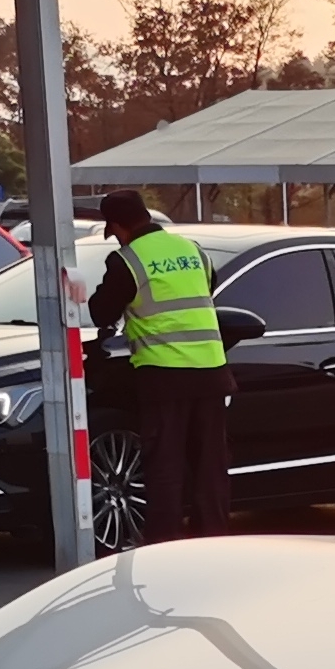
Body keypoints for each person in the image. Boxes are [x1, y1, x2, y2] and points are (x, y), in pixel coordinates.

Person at [89, 189, 233, 543]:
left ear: (116, 226)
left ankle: (163, 545)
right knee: (210, 468)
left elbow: (102, 312)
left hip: (164, 377)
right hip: (212, 374)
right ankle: (214, 540)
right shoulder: (192, 250)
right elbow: (205, 290)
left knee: (165, 468)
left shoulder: (127, 260)